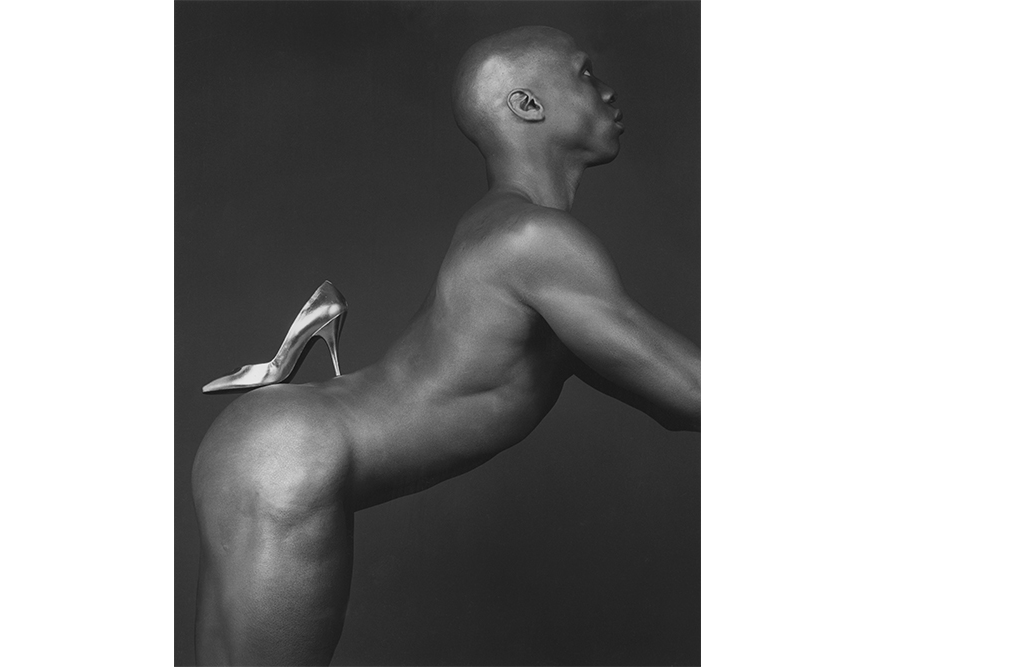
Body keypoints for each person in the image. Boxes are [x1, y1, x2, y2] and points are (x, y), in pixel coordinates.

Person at [192, 26, 701, 665]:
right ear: (527, 105)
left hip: (280, 441)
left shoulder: (504, 232)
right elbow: (694, 390)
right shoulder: (531, 239)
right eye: (585, 74)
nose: (607, 90)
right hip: (294, 450)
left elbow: (672, 402)